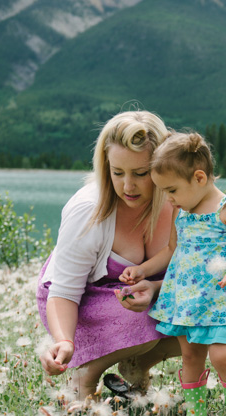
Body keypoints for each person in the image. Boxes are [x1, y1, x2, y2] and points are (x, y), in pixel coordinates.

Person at [37, 110, 181, 399]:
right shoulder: (88, 210)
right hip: (79, 302)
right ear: (105, 167)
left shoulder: (179, 200)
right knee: (147, 317)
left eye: (141, 173)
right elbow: (64, 291)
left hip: (147, 295)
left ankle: (137, 361)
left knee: (212, 304)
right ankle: (84, 377)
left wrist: (154, 288)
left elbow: (197, 274)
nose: (128, 186)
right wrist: (64, 340)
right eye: (118, 173)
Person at [119, 131, 226, 416]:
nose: (169, 198)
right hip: (187, 300)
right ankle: (196, 412)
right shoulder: (182, 212)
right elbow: (171, 251)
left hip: (221, 299)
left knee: (221, 355)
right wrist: (142, 270)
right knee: (191, 356)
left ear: (200, 177)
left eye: (172, 190)